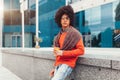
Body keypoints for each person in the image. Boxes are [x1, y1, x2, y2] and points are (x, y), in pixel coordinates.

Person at [49, 5, 85, 80]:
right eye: (62, 19)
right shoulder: (58, 36)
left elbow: (81, 50)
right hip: (59, 64)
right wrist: (55, 68)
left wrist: (63, 53)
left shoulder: (75, 34)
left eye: (67, 18)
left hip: (68, 63)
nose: (65, 20)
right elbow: (57, 54)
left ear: (70, 20)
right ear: (59, 20)